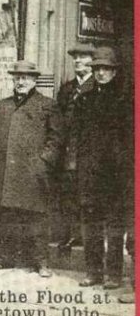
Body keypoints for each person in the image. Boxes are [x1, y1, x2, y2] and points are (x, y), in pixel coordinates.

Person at [0, 61, 63, 278]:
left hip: (32, 171)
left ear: (34, 80)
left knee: (35, 217)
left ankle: (41, 262)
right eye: (17, 78)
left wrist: (43, 162)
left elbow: (56, 139)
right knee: (5, 216)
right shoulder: (4, 105)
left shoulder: (47, 104)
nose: (21, 82)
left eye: (26, 78)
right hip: (4, 171)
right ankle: (2, 258)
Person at [74, 46, 132, 289]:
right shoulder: (86, 97)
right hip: (90, 171)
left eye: (106, 69)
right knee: (91, 224)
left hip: (115, 173)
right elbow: (78, 134)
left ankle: (114, 275)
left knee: (115, 225)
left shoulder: (125, 99)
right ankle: (93, 272)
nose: (101, 73)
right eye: (97, 69)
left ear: (114, 71)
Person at [55, 43, 95, 250]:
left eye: (83, 56)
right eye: (75, 57)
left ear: (93, 61)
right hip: (66, 151)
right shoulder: (67, 88)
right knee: (68, 194)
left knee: (87, 194)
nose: (77, 60)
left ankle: (87, 236)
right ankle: (70, 235)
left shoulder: (98, 86)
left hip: (88, 150)